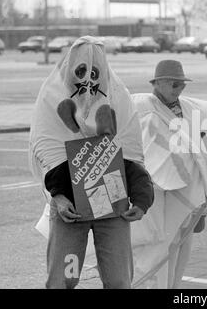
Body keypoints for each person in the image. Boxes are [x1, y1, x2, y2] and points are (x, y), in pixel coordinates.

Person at [29, 36, 154, 289]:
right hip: (70, 214)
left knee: (118, 280)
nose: (88, 79)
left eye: (94, 70)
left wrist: (141, 200)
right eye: (81, 70)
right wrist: (60, 198)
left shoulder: (118, 97)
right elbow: (48, 152)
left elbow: (130, 152)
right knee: (64, 279)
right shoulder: (52, 99)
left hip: (112, 211)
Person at [131, 60, 207, 288]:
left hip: (186, 192)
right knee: (157, 251)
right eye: (174, 84)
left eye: (182, 84)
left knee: (180, 249)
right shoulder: (144, 109)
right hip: (157, 193)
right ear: (158, 83)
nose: (180, 88)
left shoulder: (187, 110)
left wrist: (203, 196)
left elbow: (199, 152)